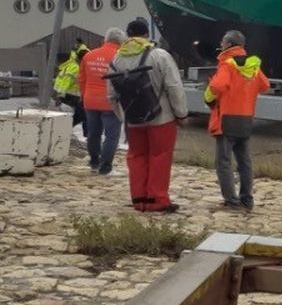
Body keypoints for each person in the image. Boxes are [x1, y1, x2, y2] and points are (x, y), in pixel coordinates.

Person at [106, 18, 188, 213]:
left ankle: (139, 199)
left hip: (133, 119)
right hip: (162, 117)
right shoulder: (159, 55)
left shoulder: (117, 59)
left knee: (137, 157)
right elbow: (174, 87)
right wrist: (181, 113)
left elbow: (111, 95)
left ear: (128, 35)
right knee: (160, 156)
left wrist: (124, 117)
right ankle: (158, 199)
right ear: (146, 35)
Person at [204, 29, 269, 211]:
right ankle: (247, 200)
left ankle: (231, 202)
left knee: (224, 163)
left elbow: (217, 85)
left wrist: (208, 98)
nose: (221, 44)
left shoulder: (227, 64)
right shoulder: (253, 66)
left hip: (226, 119)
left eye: (223, 42)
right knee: (245, 162)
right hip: (245, 118)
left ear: (230, 44)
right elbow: (265, 85)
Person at [77, 27, 125, 174]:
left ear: (106, 39)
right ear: (121, 41)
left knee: (93, 133)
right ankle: (105, 167)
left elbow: (81, 79)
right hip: (110, 102)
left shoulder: (89, 55)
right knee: (111, 135)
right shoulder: (120, 57)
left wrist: (84, 95)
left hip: (90, 100)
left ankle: (94, 162)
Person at [52, 39, 89, 137]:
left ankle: (63, 131)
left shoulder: (70, 65)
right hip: (71, 95)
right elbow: (66, 82)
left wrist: (58, 94)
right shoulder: (76, 67)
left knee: (79, 116)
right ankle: (87, 136)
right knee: (85, 116)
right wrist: (60, 95)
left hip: (68, 95)